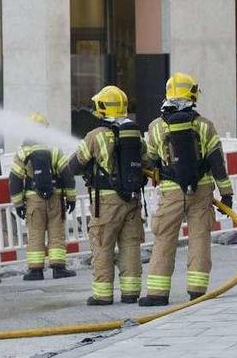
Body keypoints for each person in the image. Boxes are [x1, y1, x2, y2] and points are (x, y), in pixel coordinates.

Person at [139, 73, 234, 306]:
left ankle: (157, 294)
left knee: (164, 239)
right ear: (193, 94)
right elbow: (217, 162)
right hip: (201, 191)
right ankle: (197, 291)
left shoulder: (156, 127)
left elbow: (150, 160)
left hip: (171, 192)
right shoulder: (204, 126)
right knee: (199, 240)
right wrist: (226, 194)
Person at [68, 86, 147, 305]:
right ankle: (131, 293)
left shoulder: (95, 136)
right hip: (132, 198)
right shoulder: (134, 134)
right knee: (130, 245)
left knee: (102, 245)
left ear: (101, 108)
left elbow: (74, 166)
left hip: (106, 202)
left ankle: (103, 295)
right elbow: (146, 160)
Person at [9, 112, 77, 280]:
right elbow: (67, 175)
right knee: (56, 232)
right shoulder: (54, 150)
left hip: (33, 200)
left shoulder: (22, 153)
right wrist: (71, 198)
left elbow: (15, 180)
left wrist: (18, 205)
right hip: (55, 199)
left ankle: (35, 270)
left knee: (36, 233)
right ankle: (58, 268)